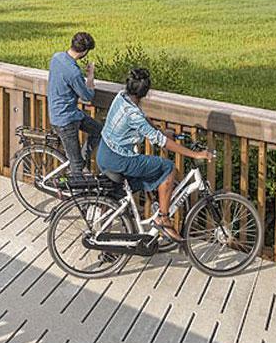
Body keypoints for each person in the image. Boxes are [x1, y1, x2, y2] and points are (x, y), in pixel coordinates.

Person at [97, 67, 211, 240]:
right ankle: (163, 218)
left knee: (122, 190)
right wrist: (195, 155)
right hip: (119, 159)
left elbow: (144, 119)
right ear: (145, 92)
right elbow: (161, 141)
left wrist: (159, 130)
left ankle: (103, 235)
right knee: (167, 167)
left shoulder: (121, 97)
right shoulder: (133, 113)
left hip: (104, 153)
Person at [47, 32, 102, 175]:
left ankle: (82, 159)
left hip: (66, 114)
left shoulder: (56, 57)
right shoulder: (73, 72)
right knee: (76, 166)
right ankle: (76, 194)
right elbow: (87, 96)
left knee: (99, 131)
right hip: (66, 121)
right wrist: (90, 76)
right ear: (84, 52)